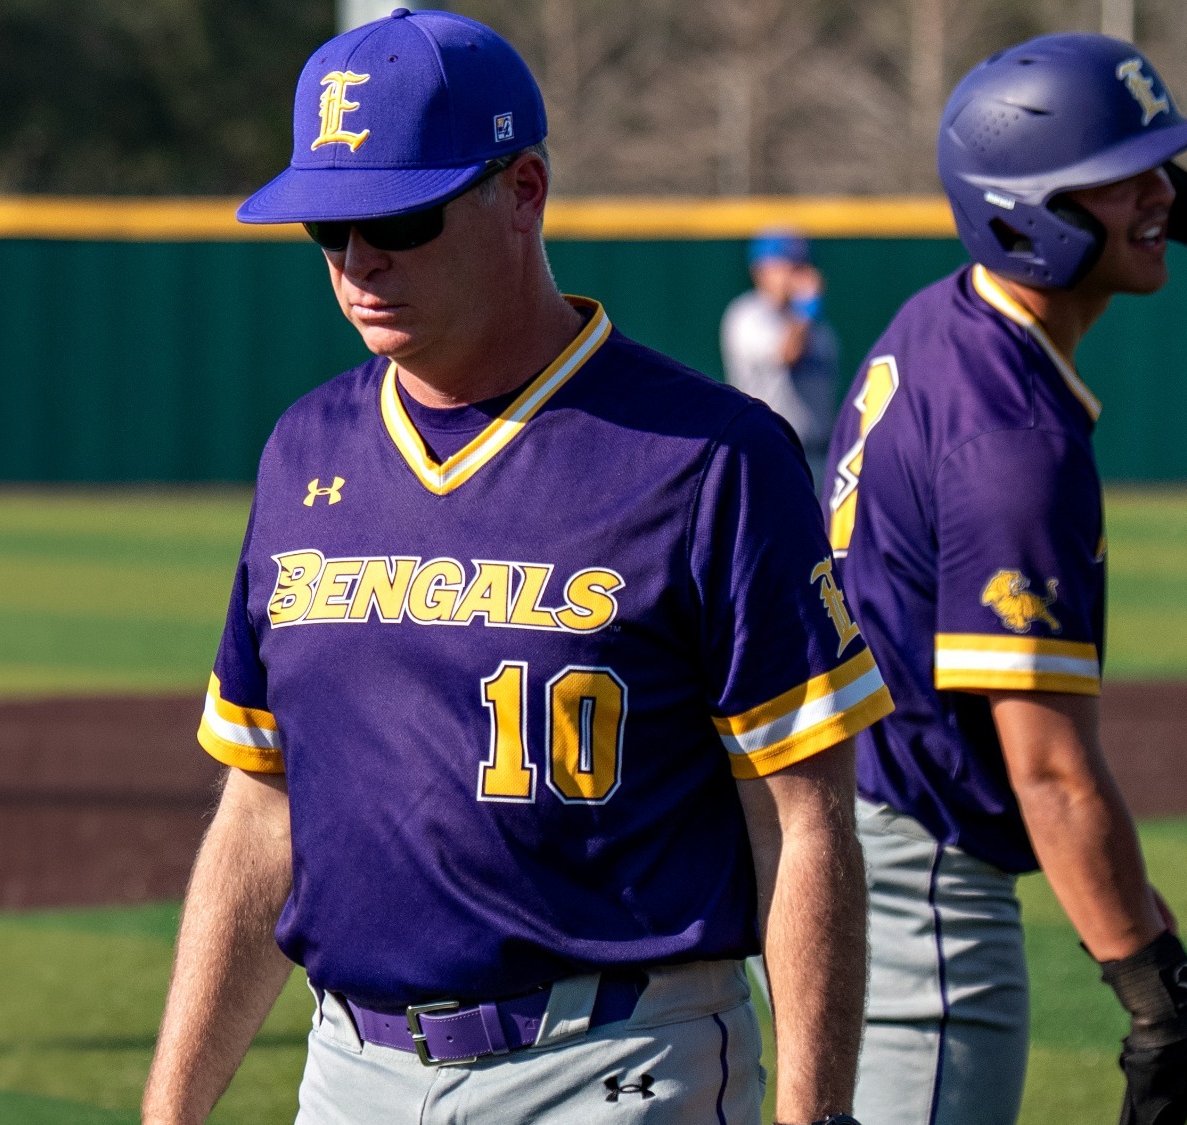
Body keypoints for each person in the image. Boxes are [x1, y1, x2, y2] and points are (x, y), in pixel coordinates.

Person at [142, 10, 892, 1125]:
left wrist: (814, 1114)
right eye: (325, 229)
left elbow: (798, 820)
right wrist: (171, 1109)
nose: (358, 260)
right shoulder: (305, 449)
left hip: (613, 1065)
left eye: (397, 214)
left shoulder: (710, 458)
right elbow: (262, 809)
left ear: (524, 190)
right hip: (347, 1071)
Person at [822, 33, 1187, 1125]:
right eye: (1115, 179)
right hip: (920, 886)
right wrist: (1151, 990)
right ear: (1024, 213)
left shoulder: (941, 320)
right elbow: (1045, 769)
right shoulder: (1011, 440)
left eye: (1157, 167)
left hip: (852, 822)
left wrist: (1134, 907)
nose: (1158, 197)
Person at [721, 231, 839, 481]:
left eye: (799, 265)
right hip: (766, 453)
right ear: (760, 270)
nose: (795, 274)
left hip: (819, 455)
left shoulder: (818, 327)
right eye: (786, 265)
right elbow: (788, 354)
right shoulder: (748, 315)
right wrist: (806, 308)